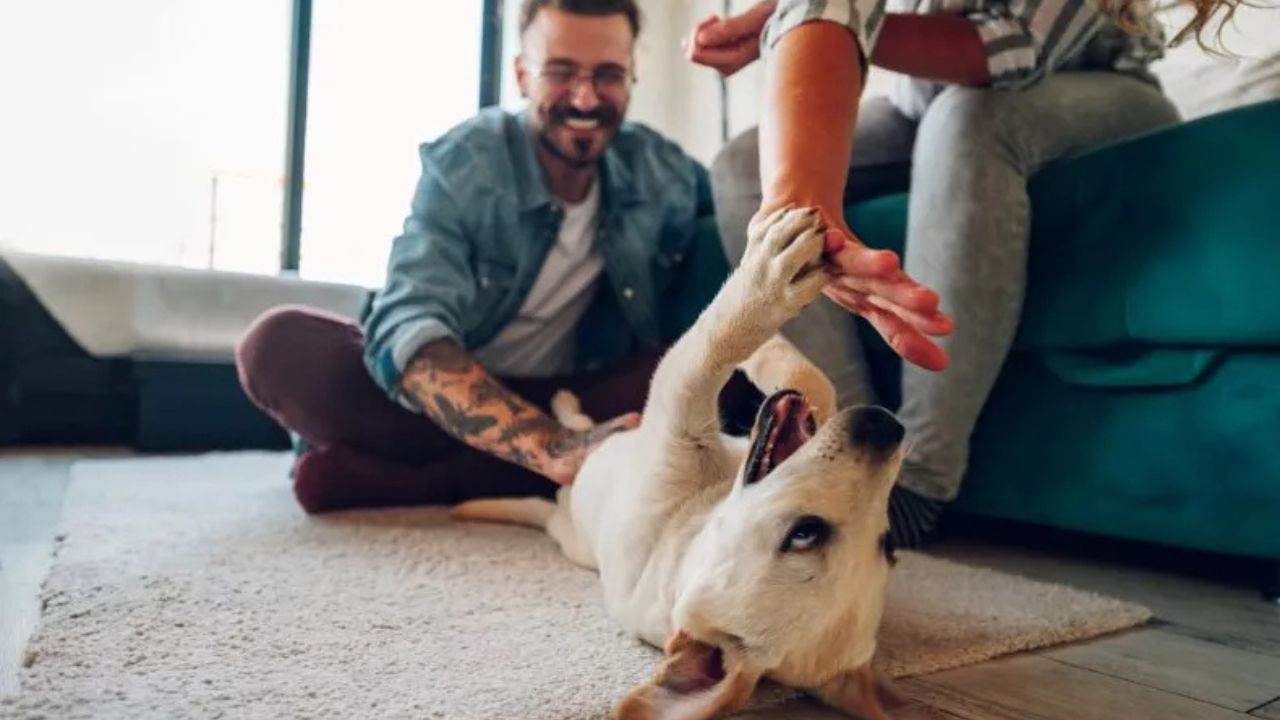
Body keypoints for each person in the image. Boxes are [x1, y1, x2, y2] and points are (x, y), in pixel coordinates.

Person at [691, 0, 1198, 547]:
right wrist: (778, 19)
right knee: (743, 162)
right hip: (928, 100)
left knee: (966, 119)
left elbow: (1009, 47)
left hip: (1096, 86)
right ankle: (844, 447)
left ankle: (920, 480)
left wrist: (825, 18)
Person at [236, 0, 738, 514]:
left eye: (608, 75)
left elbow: (741, 251)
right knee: (275, 344)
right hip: (440, 405)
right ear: (523, 75)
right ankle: (522, 475)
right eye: (561, 73)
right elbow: (408, 325)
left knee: (719, 369)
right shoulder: (468, 163)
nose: (585, 98)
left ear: (632, 77)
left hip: (578, 400)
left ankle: (422, 483)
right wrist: (552, 447)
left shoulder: (664, 172)